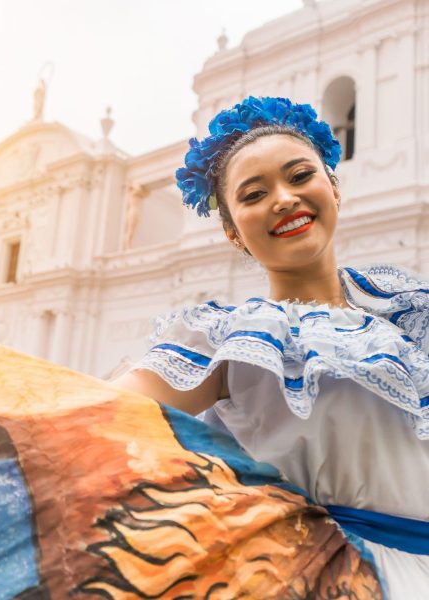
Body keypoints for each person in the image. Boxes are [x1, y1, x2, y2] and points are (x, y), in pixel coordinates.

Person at [114, 96, 429, 597]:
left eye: (300, 175)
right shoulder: (226, 341)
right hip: (322, 583)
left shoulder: (410, 311)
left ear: (335, 188)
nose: (283, 199)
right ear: (233, 231)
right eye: (254, 193)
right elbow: (97, 414)